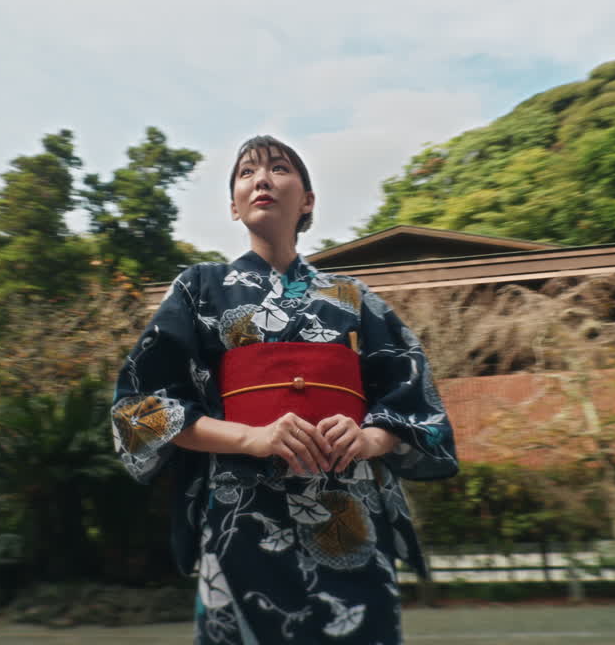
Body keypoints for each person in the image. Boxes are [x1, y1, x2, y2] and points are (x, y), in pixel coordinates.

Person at [111, 135, 458, 644]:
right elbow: (140, 409)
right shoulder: (199, 288)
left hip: (349, 505)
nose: (262, 180)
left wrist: (370, 437)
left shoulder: (354, 298)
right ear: (233, 204)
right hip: (241, 508)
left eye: (279, 168)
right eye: (247, 173)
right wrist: (250, 438)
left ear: (308, 200)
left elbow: (412, 399)